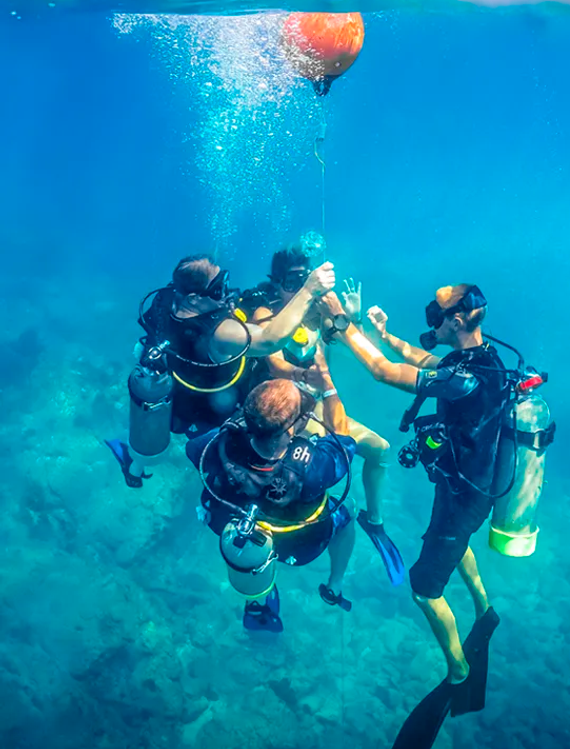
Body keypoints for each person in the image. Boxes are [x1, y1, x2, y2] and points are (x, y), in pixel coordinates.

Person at [319, 282, 508, 749]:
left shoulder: (463, 380)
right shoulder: (482, 359)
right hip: (470, 487)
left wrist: (342, 325)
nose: (431, 317)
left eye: (437, 311)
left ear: (460, 320)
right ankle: (485, 609)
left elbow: (386, 372)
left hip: (464, 497)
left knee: (425, 589)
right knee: (452, 542)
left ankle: (458, 671)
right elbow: (417, 356)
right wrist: (382, 332)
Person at [239, 241, 404, 586]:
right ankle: (263, 572)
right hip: (284, 419)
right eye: (289, 283)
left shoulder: (318, 311)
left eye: (302, 282)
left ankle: (373, 521)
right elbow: (274, 361)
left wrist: (351, 317)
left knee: (381, 449)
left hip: (318, 408)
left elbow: (348, 343)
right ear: (275, 284)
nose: (297, 291)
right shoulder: (266, 315)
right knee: (291, 500)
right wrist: (305, 376)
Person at [106, 253, 336, 487]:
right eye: (218, 290)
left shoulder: (166, 301)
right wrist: (308, 290)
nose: (226, 293)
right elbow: (270, 340)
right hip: (218, 408)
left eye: (223, 282)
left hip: (182, 401)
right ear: (194, 299)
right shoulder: (219, 333)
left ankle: (135, 468)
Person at [185, 356, 356, 633]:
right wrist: (328, 387)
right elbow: (345, 439)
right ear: (290, 429)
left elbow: (194, 450)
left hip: (231, 525)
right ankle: (334, 584)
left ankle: (258, 597)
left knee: (253, 553)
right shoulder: (311, 468)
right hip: (297, 544)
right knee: (350, 510)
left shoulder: (224, 439)